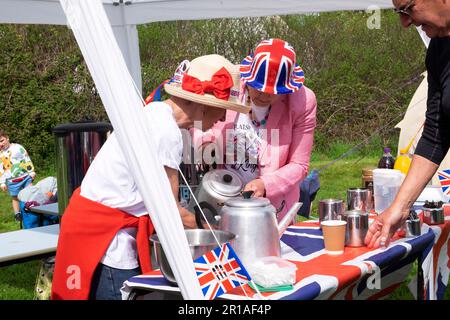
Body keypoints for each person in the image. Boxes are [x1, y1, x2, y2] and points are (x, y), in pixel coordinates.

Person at [51, 54, 249, 300]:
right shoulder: (166, 132)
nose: (223, 118)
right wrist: (217, 232)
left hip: (90, 225)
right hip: (108, 239)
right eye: (223, 110)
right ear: (204, 105)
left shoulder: (155, 111)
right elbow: (170, 211)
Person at [194, 38, 317, 220]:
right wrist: (204, 143)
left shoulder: (303, 102)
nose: (264, 94)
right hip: (221, 194)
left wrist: (266, 184)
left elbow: (299, 165)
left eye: (273, 90)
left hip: (272, 208)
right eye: (258, 87)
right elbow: (198, 116)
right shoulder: (228, 80)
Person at [365, 0, 450, 249]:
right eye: (398, 13)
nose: (405, 22)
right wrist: (399, 208)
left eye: (407, 8)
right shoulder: (438, 51)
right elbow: (436, 134)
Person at [0, 129, 36, 222]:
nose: (1, 144)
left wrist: (31, 171)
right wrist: (2, 182)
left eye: (2, 140)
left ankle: (32, 209)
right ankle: (17, 214)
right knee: (15, 198)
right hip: (12, 181)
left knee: (30, 193)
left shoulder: (18, 147)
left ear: (7, 138)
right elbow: (1, 170)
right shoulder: (0, 154)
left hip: (25, 177)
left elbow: (26, 158)